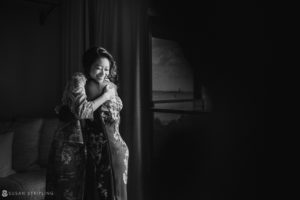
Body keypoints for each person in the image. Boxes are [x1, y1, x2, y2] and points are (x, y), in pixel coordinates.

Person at [45, 47, 129, 200]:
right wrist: (106, 96)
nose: (103, 73)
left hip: (91, 146)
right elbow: (81, 111)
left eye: (106, 69)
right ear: (88, 65)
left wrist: (110, 92)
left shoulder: (105, 83)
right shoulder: (79, 79)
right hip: (69, 144)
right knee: (64, 191)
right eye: (98, 67)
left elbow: (117, 106)